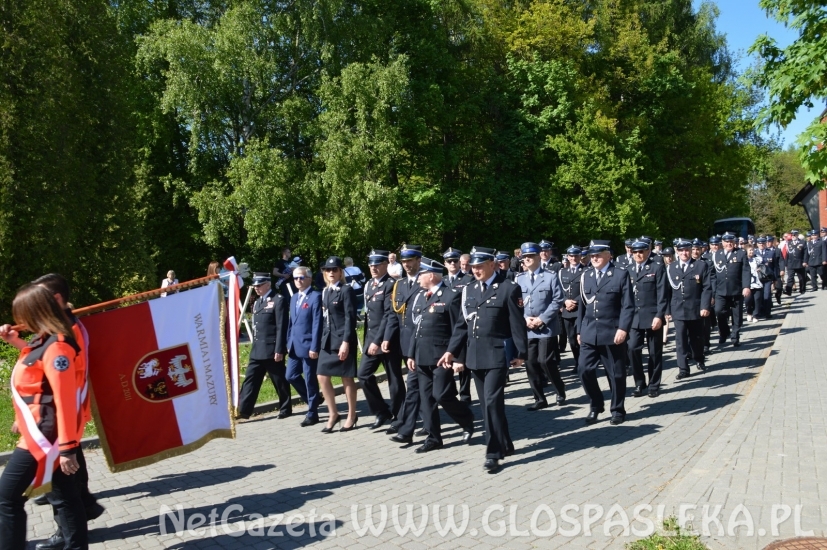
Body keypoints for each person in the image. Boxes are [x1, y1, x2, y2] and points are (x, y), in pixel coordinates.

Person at [0, 285, 87, 549]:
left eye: (23, 313)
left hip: (46, 434)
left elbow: (64, 398)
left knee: (6, 498)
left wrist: (68, 449)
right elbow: (36, 370)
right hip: (42, 429)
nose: (20, 319)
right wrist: (15, 342)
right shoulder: (45, 340)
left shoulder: (58, 346)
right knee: (65, 496)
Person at [27, 275, 104, 550]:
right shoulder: (62, 327)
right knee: (68, 484)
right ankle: (84, 507)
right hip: (63, 418)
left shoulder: (66, 332)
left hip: (61, 418)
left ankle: (71, 527)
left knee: (63, 487)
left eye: (41, 299)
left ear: (56, 300)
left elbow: (62, 380)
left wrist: (67, 443)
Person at [448, 246, 527, 471]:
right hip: (474, 355)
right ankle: (506, 442)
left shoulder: (508, 288)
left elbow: (516, 323)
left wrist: (521, 353)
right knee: (487, 405)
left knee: (492, 402)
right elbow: (461, 326)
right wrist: (451, 352)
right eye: (473, 267)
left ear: (492, 264)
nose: (475, 271)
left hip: (496, 353)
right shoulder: (469, 290)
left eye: (480, 266)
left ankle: (493, 452)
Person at [406, 258, 474, 452]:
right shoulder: (421, 296)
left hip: (442, 357)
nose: (418, 277)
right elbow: (416, 328)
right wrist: (411, 354)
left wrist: (459, 358)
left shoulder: (451, 296)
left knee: (442, 395)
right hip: (421, 356)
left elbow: (459, 329)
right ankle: (434, 437)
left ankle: (466, 418)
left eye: (421, 273)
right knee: (426, 398)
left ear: (432, 276)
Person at [576, 240, 634, 425]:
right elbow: (582, 307)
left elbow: (628, 305)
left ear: (608, 255)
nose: (594, 258)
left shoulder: (619, 274)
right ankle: (596, 405)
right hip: (589, 332)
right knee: (584, 370)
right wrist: (579, 330)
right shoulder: (586, 276)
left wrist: (623, 328)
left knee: (616, 374)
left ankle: (617, 409)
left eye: (598, 255)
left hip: (612, 333)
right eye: (592, 255)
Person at [358, 250, 405, 429]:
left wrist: (379, 341)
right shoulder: (369, 284)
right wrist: (371, 341)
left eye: (377, 264)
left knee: (394, 379)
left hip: (388, 339)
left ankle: (400, 416)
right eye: (371, 265)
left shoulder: (391, 284)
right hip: (372, 339)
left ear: (386, 264)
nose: (373, 268)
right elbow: (369, 317)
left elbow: (389, 315)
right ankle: (381, 411)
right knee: (363, 375)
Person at [516, 242, 566, 409]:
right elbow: (515, 303)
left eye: (530, 256)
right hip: (528, 327)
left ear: (539, 257)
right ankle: (539, 399)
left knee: (545, 361)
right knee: (530, 364)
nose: (527, 259)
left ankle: (560, 390)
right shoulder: (519, 278)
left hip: (546, 326)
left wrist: (542, 319)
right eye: (525, 257)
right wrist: (525, 319)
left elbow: (558, 299)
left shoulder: (550, 276)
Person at [237, 273, 290, 420]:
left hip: (271, 349)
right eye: (255, 286)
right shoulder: (258, 302)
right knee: (250, 379)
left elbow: (281, 327)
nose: (256, 288)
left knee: (279, 380)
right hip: (257, 349)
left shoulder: (278, 300)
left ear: (268, 284)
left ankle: (285, 407)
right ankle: (243, 410)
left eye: (259, 285)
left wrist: (279, 349)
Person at [386, 245, 425, 443]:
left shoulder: (426, 281)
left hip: (420, 341)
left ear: (419, 260)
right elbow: (394, 315)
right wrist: (386, 338)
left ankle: (407, 426)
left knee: (415, 385)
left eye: (410, 261)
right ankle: (420, 421)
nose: (407, 265)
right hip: (402, 340)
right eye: (404, 262)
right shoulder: (399, 284)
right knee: (420, 385)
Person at [318, 256, 359, 432]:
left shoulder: (346, 290)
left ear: (340, 272)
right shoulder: (326, 291)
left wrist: (345, 343)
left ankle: (351, 415)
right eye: (328, 270)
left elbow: (350, 318)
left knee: (346, 377)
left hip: (343, 339)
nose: (331, 273)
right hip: (328, 340)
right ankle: (333, 413)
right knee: (321, 375)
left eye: (334, 270)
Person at [626, 240, 668, 398]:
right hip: (634, 318)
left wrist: (659, 315)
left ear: (647, 251)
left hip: (652, 317)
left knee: (654, 353)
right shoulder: (628, 270)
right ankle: (639, 382)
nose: (638, 254)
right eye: (635, 252)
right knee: (632, 349)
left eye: (641, 251)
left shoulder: (656, 267)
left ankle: (654, 384)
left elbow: (663, 294)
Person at [666, 239, 713, 379]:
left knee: (696, 339)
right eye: (681, 251)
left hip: (695, 308)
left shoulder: (700, 266)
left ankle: (699, 358)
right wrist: (667, 310)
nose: (684, 253)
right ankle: (683, 369)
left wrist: (705, 306)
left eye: (686, 250)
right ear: (677, 252)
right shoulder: (671, 268)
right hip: (678, 309)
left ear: (691, 250)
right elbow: (667, 291)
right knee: (680, 340)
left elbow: (706, 287)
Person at [285, 267, 323, 427]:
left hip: (308, 346)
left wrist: (315, 347)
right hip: (294, 346)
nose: (298, 281)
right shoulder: (294, 298)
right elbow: (291, 323)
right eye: (295, 278)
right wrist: (288, 342)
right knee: (290, 375)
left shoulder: (315, 296)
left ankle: (312, 413)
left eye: (301, 278)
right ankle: (313, 399)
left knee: (310, 380)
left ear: (309, 279)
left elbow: (317, 324)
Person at [443, 247, 473, 403]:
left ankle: (465, 394)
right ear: (445, 264)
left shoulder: (468, 280)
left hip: (461, 324)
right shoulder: (442, 281)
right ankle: (450, 390)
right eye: (449, 261)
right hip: (445, 326)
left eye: (455, 260)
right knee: (447, 359)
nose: (453, 263)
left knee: (463, 360)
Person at [710, 233, 751, 347]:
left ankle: (735, 336)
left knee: (736, 315)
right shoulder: (716, 254)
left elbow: (746, 271)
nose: (729, 244)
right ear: (722, 243)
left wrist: (746, 286)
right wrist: (714, 289)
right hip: (721, 290)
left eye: (731, 242)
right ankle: (724, 332)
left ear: (734, 242)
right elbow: (713, 274)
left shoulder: (741, 253)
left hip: (736, 290)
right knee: (718, 311)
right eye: (727, 242)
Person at [559, 245, 585, 369]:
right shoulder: (562, 272)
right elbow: (558, 291)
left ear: (580, 256)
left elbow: (587, 290)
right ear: (567, 257)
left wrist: (574, 302)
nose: (574, 258)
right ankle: (577, 361)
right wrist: (565, 302)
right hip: (567, 310)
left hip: (580, 309)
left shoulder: (586, 271)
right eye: (571, 256)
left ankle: (583, 362)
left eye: (576, 255)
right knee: (572, 339)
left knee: (581, 337)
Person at [782, 230, 808, 295]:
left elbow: (805, 253)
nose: (793, 236)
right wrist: (786, 263)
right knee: (790, 278)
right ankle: (788, 291)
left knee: (801, 278)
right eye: (792, 235)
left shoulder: (802, 242)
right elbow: (787, 254)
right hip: (791, 263)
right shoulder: (789, 243)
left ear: (797, 235)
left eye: (794, 235)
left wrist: (805, 261)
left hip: (799, 262)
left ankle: (802, 290)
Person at [745, 245, 764, 323]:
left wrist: (760, 269)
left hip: (757, 282)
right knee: (748, 300)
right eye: (749, 250)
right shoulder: (744, 260)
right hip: (748, 283)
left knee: (757, 299)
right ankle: (749, 312)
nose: (751, 252)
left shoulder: (757, 259)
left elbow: (763, 265)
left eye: (752, 250)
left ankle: (756, 315)